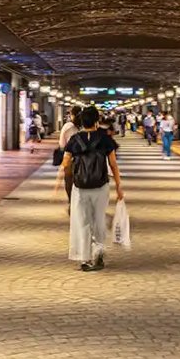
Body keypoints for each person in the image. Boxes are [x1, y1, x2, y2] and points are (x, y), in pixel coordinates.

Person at [57, 106, 123, 271]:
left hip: (80, 187)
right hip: (101, 185)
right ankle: (98, 255)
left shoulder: (74, 139)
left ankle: (85, 258)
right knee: (99, 220)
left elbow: (65, 163)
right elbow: (113, 164)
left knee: (83, 222)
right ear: (96, 120)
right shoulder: (105, 138)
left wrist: (59, 179)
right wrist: (119, 187)